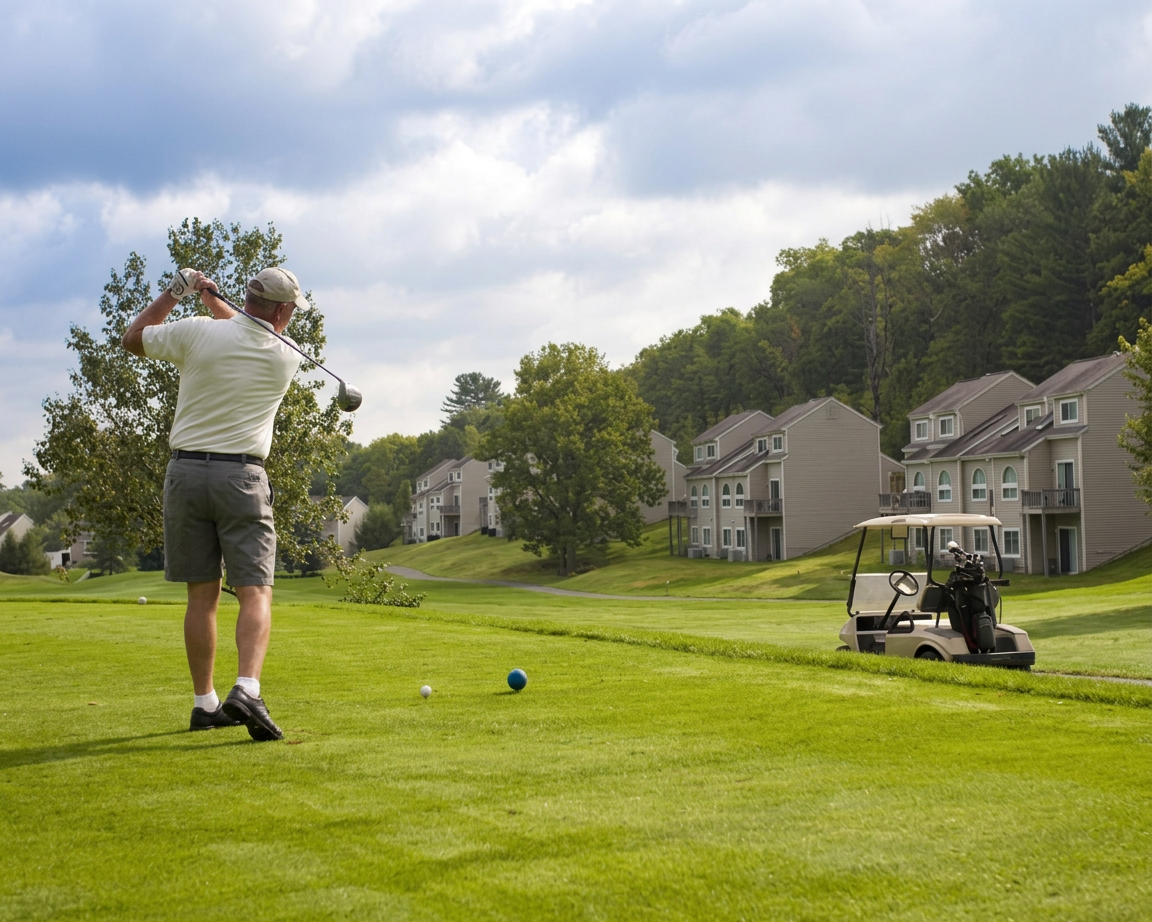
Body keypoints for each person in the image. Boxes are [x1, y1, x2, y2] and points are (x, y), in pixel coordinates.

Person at [122, 266, 309, 741]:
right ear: (284, 310)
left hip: (184, 475)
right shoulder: (286, 356)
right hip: (241, 479)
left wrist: (178, 292)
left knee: (201, 596)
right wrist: (211, 300)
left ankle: (205, 704)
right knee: (255, 589)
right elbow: (247, 331)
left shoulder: (195, 333)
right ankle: (247, 687)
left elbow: (132, 338)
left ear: (247, 298)